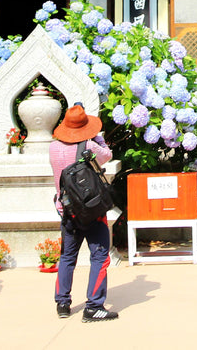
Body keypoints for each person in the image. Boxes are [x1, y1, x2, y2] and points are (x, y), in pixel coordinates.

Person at [50, 104, 118, 322]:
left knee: (67, 257)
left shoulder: (53, 147)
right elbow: (107, 155)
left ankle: (62, 303)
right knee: (100, 257)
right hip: (91, 212)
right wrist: (97, 138)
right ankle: (94, 306)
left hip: (67, 211)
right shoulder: (89, 146)